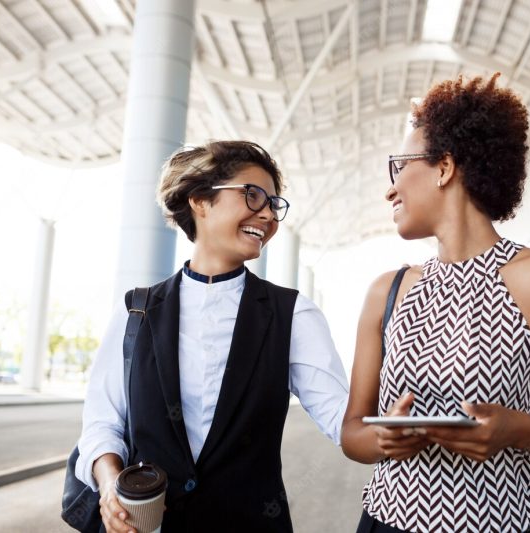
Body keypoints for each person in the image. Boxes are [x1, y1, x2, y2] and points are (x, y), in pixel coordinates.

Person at [341, 74, 530, 533]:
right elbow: (351, 435)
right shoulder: (387, 290)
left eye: (400, 166)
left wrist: (518, 431)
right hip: (384, 522)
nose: (390, 188)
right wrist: (384, 438)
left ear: (444, 167)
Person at [76, 140, 349, 533]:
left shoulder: (294, 314)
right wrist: (108, 487)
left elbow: (343, 418)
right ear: (200, 201)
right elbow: (103, 423)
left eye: (274, 204)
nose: (268, 215)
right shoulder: (136, 310)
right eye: (254, 195)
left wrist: (404, 421)